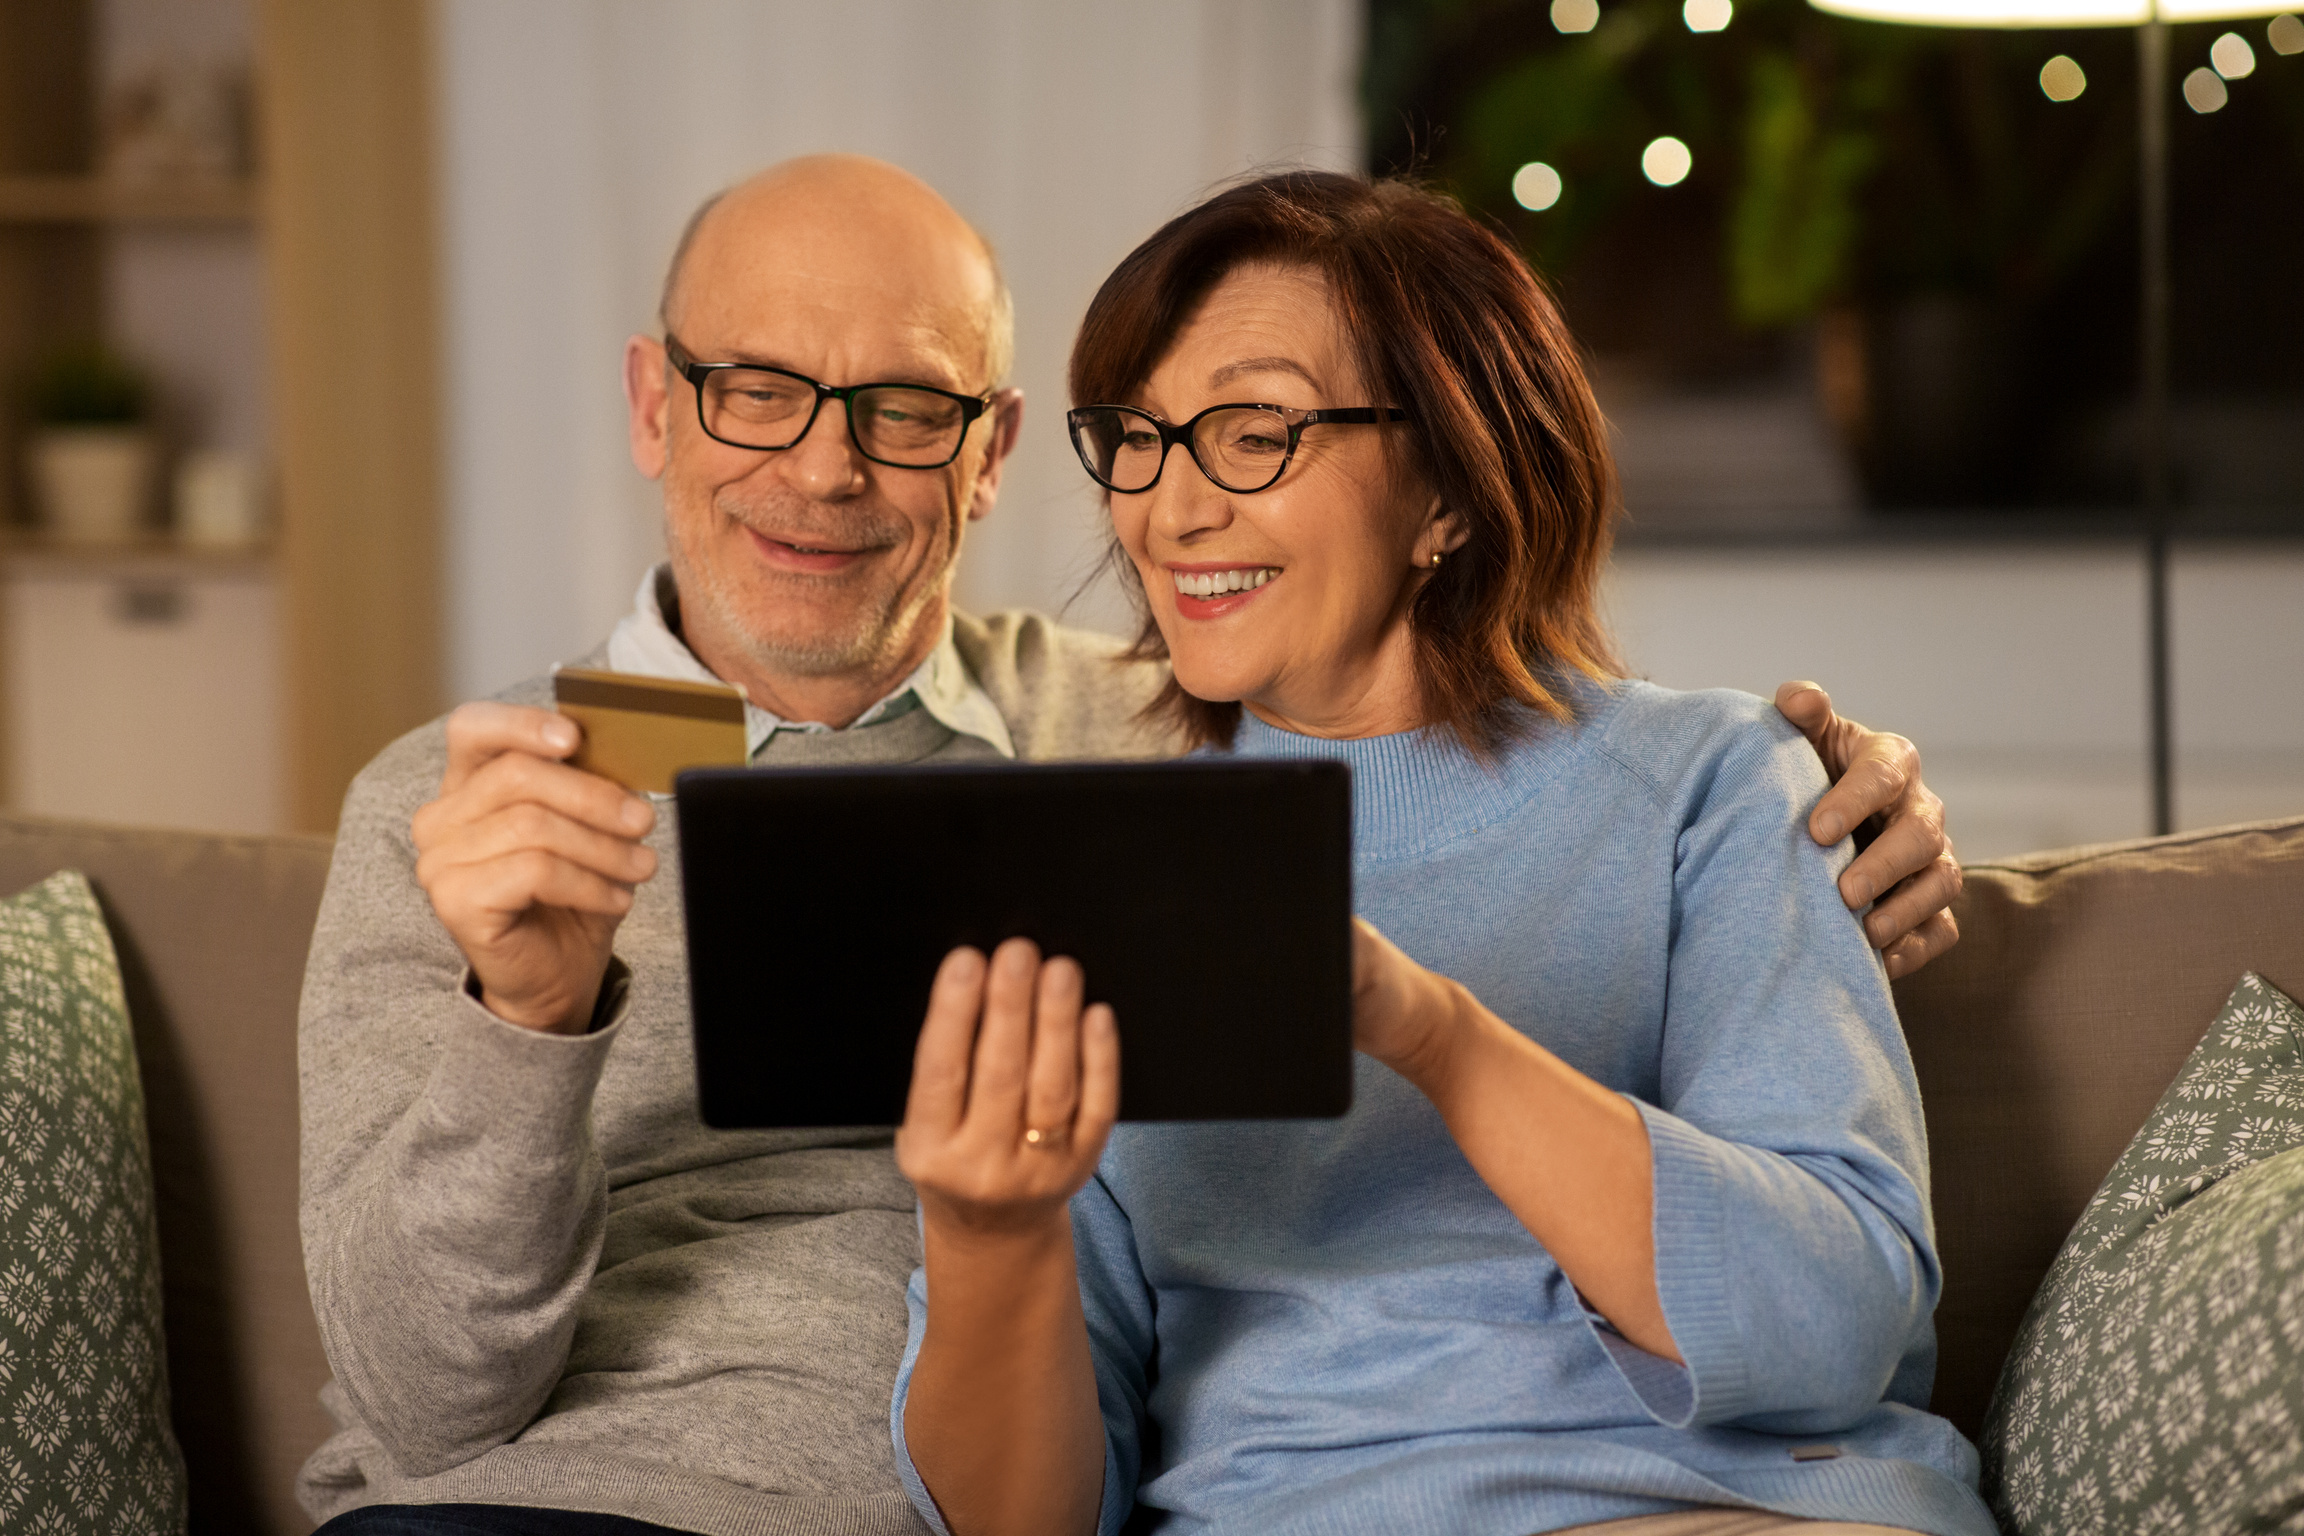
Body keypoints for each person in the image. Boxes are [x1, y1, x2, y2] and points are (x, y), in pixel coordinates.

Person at [299, 155, 1961, 1536]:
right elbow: (424, 1406)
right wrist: (523, 1019)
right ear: (657, 405)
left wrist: (1843, 815)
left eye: (902, 409)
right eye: (756, 394)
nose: (823, 466)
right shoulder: (494, 799)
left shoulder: (1130, 747)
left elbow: (1461, 742)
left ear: (996, 453)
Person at [891, 172, 2000, 1536]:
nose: (1168, 508)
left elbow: (1834, 1326)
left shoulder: (1720, 784)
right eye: (1140, 437)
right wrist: (988, 1237)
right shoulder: (1088, 879)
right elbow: (1025, 1527)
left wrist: (1432, 1035)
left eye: (1251, 432)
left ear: (1451, 499)